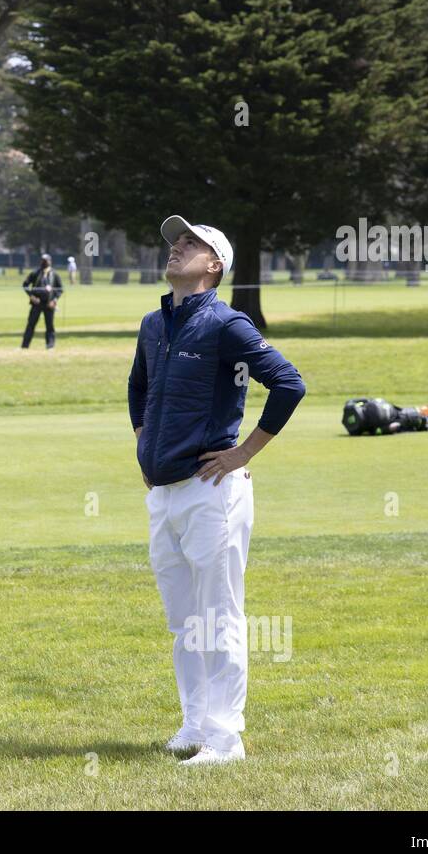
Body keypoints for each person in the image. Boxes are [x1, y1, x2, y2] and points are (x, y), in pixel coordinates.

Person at [129, 214, 305, 766]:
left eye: (190, 243)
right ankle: (195, 724)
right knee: (183, 619)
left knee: (219, 615)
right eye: (175, 241)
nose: (176, 248)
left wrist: (243, 453)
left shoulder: (227, 324)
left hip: (213, 492)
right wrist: (144, 446)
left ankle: (226, 740)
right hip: (164, 493)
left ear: (214, 265)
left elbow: (288, 382)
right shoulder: (154, 325)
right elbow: (138, 388)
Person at [21, 253, 62, 349]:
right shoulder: (35, 273)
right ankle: (24, 346)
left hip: (49, 304)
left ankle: (50, 346)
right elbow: (25, 285)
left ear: (50, 261)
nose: (44, 262)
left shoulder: (54, 274)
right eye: (43, 260)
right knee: (31, 324)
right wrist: (31, 296)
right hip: (36, 304)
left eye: (46, 260)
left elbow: (60, 289)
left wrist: (54, 300)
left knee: (49, 326)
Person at [341, 398, 428, 435]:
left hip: (391, 416)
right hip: (393, 418)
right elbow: (391, 427)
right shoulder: (400, 417)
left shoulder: (399, 414)